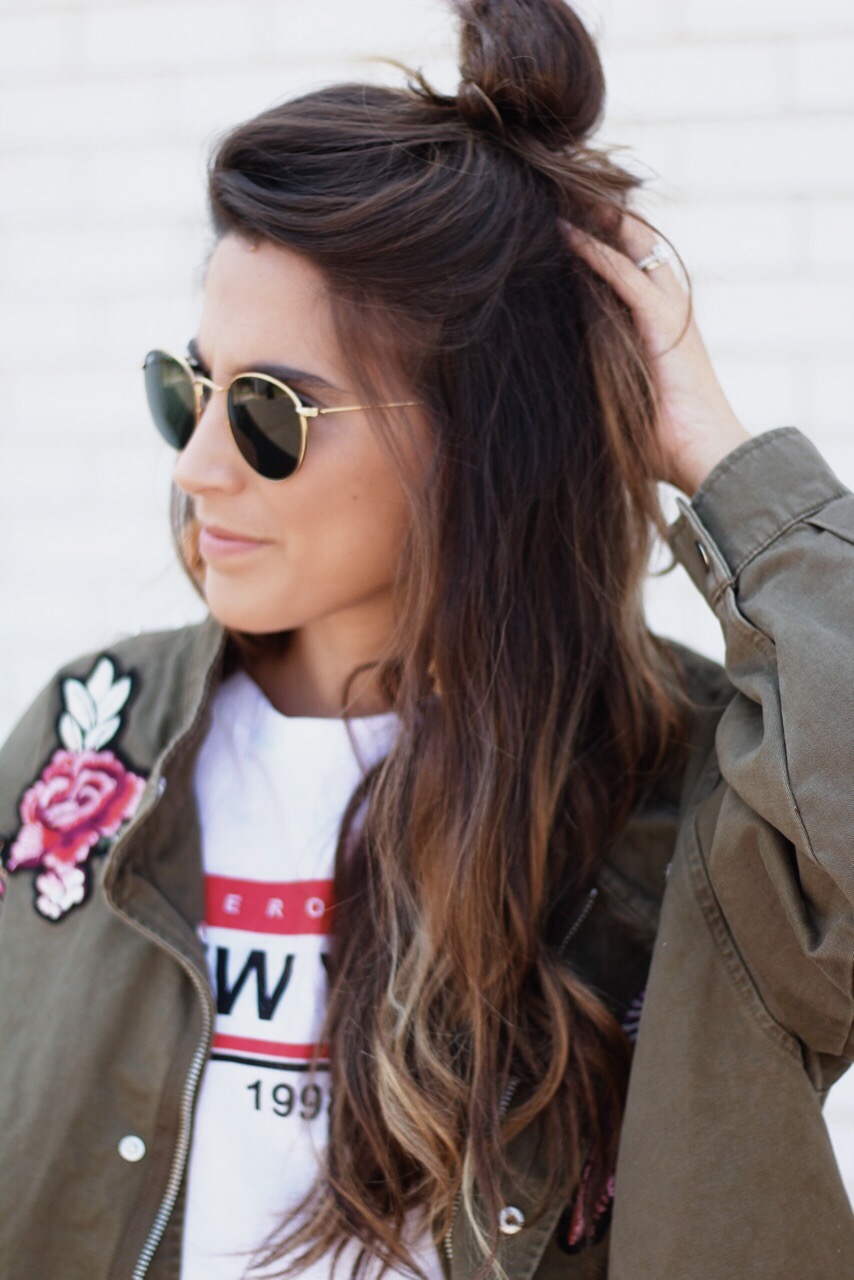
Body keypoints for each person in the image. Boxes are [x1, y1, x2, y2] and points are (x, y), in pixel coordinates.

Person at [0, 1, 852, 1277]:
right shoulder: (95, 734)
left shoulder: (679, 788)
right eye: (190, 387)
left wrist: (721, 458)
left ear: (474, 441)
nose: (195, 462)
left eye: (270, 413)